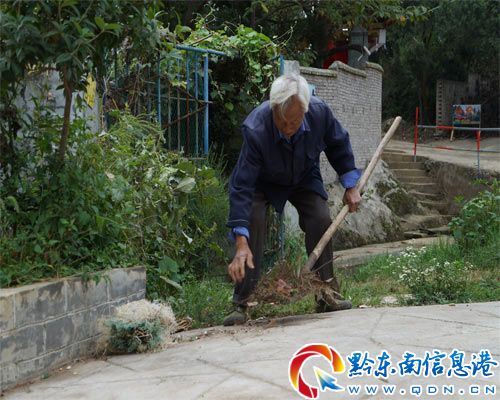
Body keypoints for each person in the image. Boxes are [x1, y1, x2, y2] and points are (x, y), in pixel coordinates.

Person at [224, 73, 361, 326]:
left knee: (320, 217)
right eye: (283, 121)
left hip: (303, 175)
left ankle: (326, 293)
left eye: (295, 122)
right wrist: (241, 243)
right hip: (263, 181)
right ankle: (242, 301)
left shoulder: (319, 113)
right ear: (274, 108)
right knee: (252, 219)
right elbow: (242, 186)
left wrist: (350, 185)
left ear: (305, 112)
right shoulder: (256, 128)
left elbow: (338, 144)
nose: (288, 128)